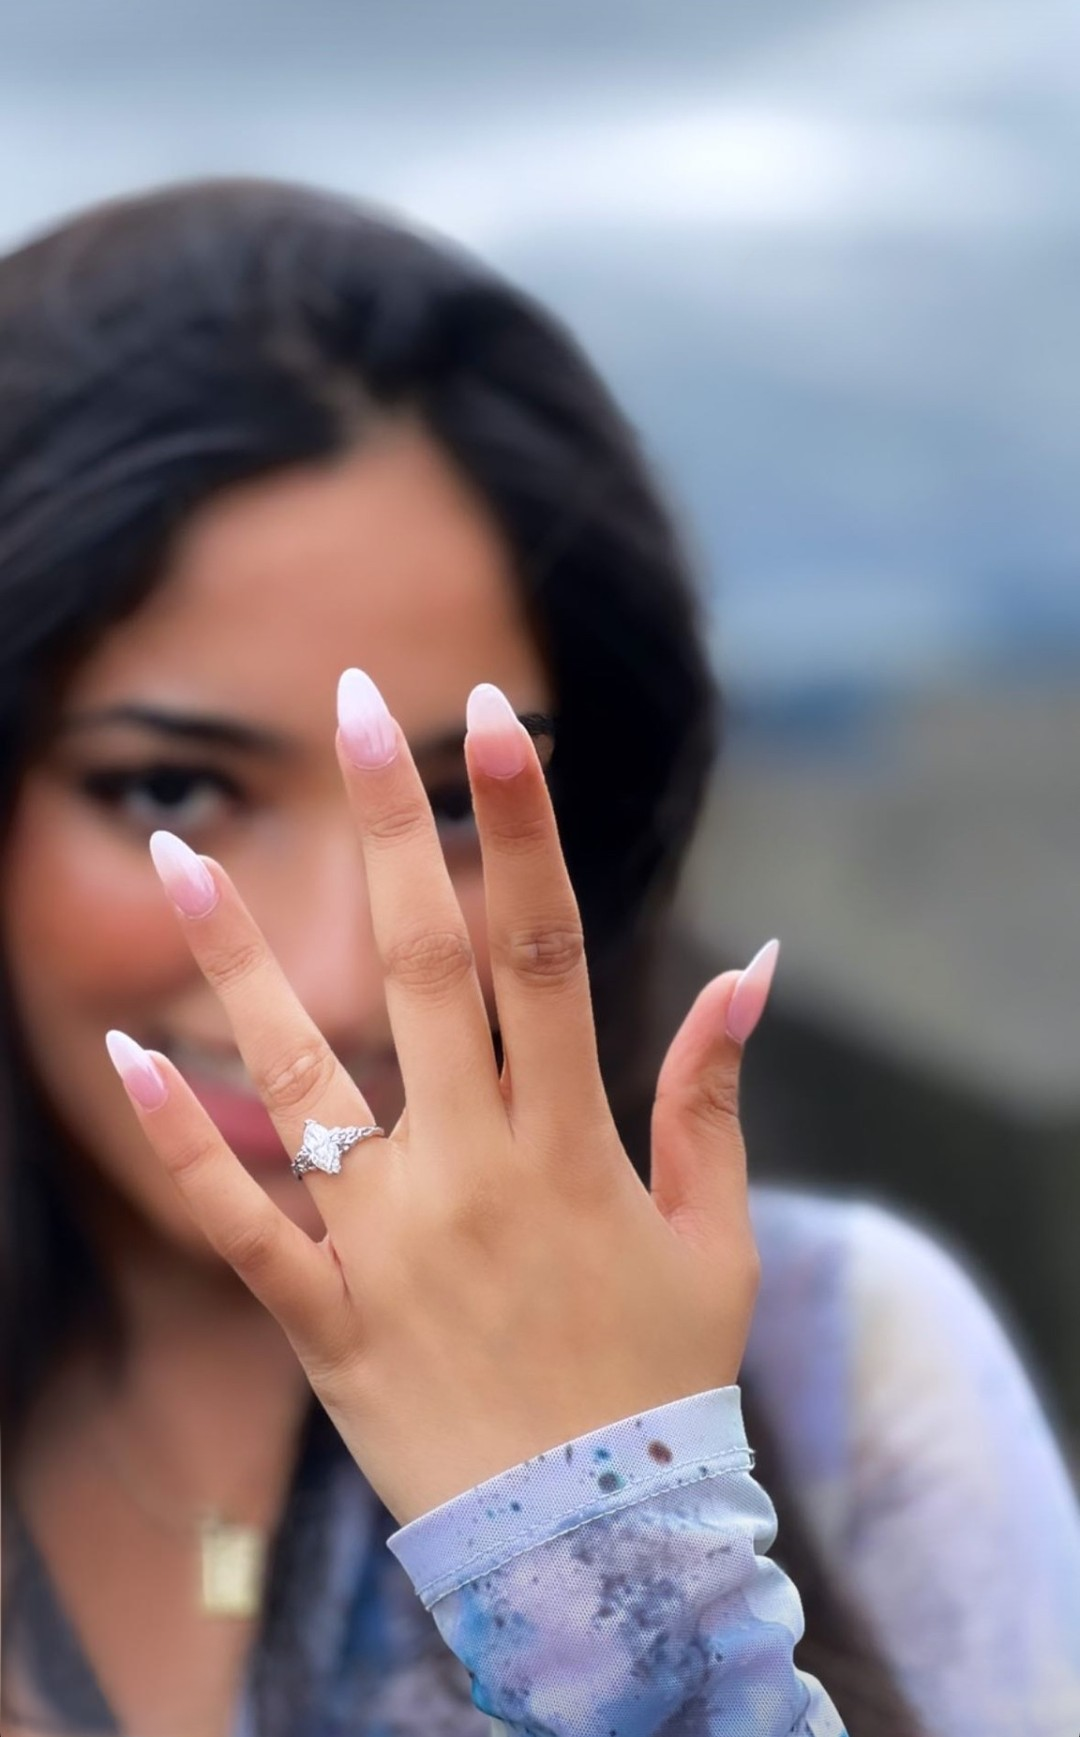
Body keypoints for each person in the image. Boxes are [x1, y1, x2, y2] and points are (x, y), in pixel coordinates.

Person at [0, 179, 1077, 1737]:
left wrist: (612, 1553)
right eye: (169, 789)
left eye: (458, 804)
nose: (338, 981)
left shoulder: (847, 1371)